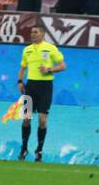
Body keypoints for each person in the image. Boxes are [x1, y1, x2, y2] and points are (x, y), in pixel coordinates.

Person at [15, 25, 65, 161]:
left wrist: (49, 70)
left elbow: (62, 66)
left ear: (43, 35)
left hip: (45, 87)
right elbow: (23, 67)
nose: (32, 34)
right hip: (30, 86)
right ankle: (24, 149)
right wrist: (20, 81)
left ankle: (39, 150)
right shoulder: (27, 50)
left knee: (42, 120)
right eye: (31, 32)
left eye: (35, 32)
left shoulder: (50, 48)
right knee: (26, 119)